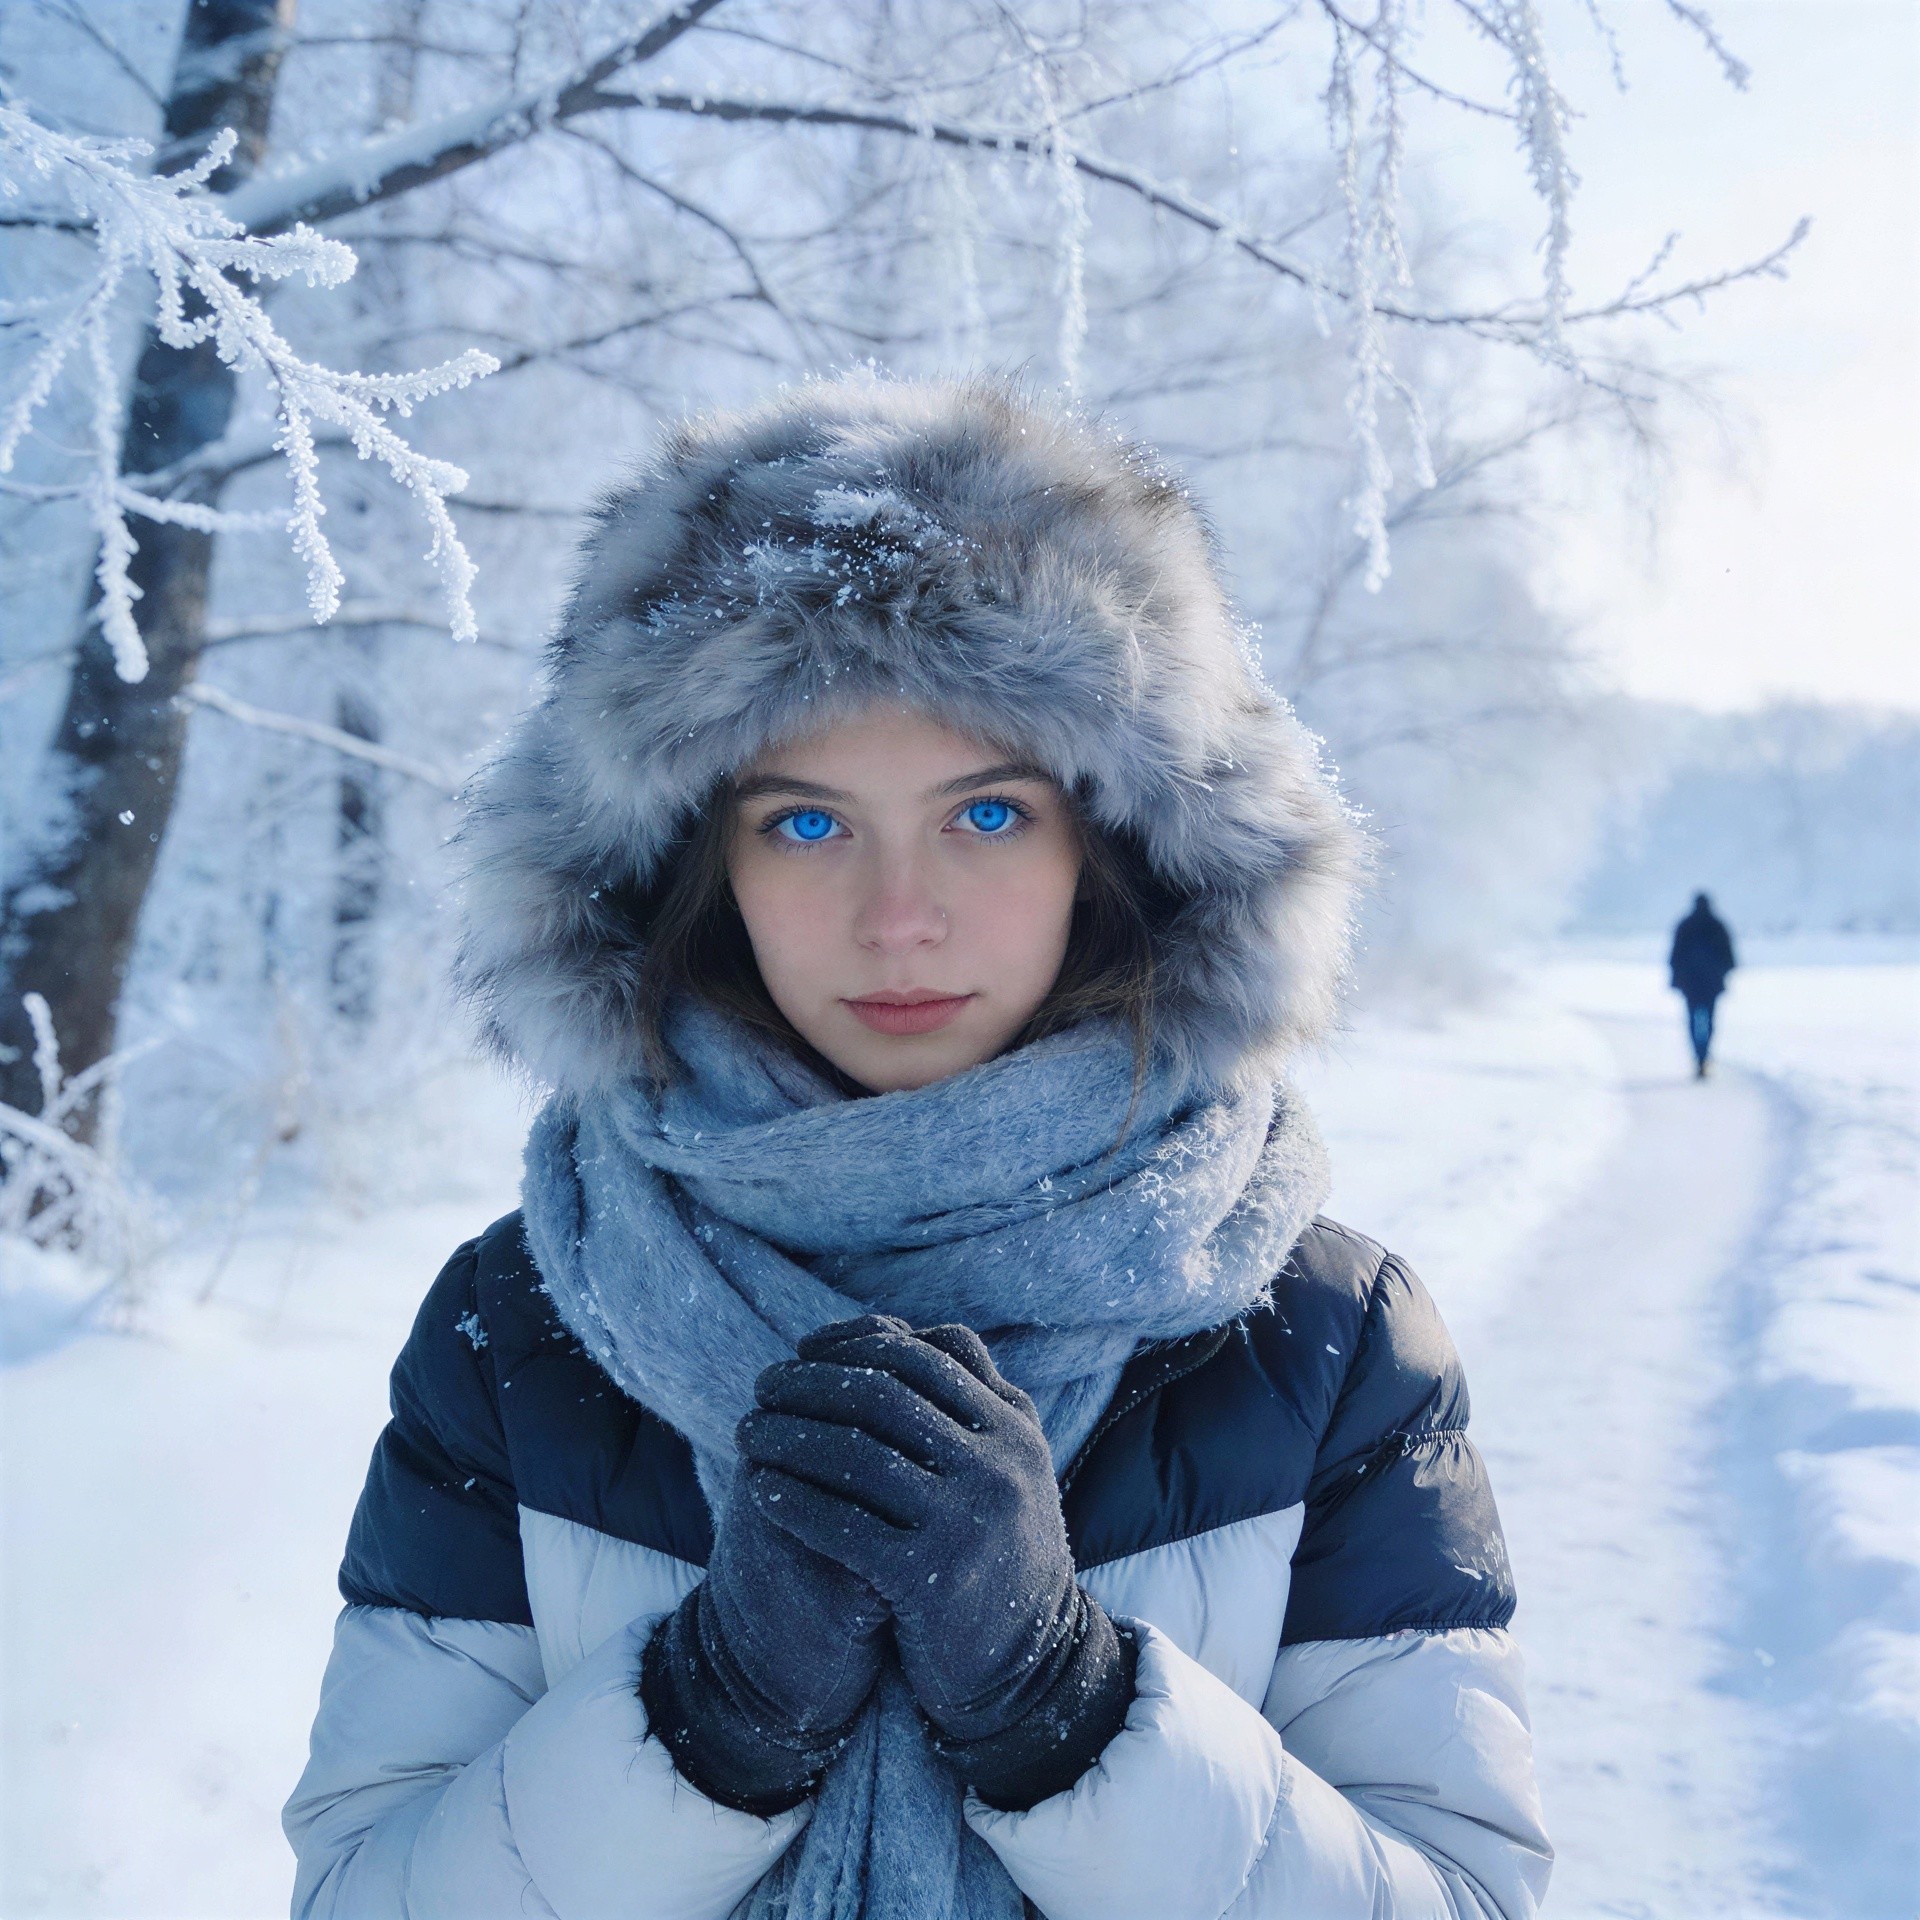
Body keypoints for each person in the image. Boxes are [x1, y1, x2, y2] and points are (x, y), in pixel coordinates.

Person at [283, 374, 1552, 1920]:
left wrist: (1066, 1703)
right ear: (695, 861)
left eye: (990, 816)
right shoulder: (529, 1327)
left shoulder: (1318, 1341)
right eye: (806, 824)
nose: (898, 917)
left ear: (1118, 840)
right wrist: (708, 1716)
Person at [1669, 891, 1737, 1077]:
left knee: (1692, 1020)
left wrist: (1676, 979)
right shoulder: (1717, 925)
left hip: (1690, 985)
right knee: (1709, 1021)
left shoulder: (1686, 925)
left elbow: (1675, 957)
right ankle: (1704, 1055)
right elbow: (1729, 957)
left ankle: (1699, 1056)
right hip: (1711, 985)